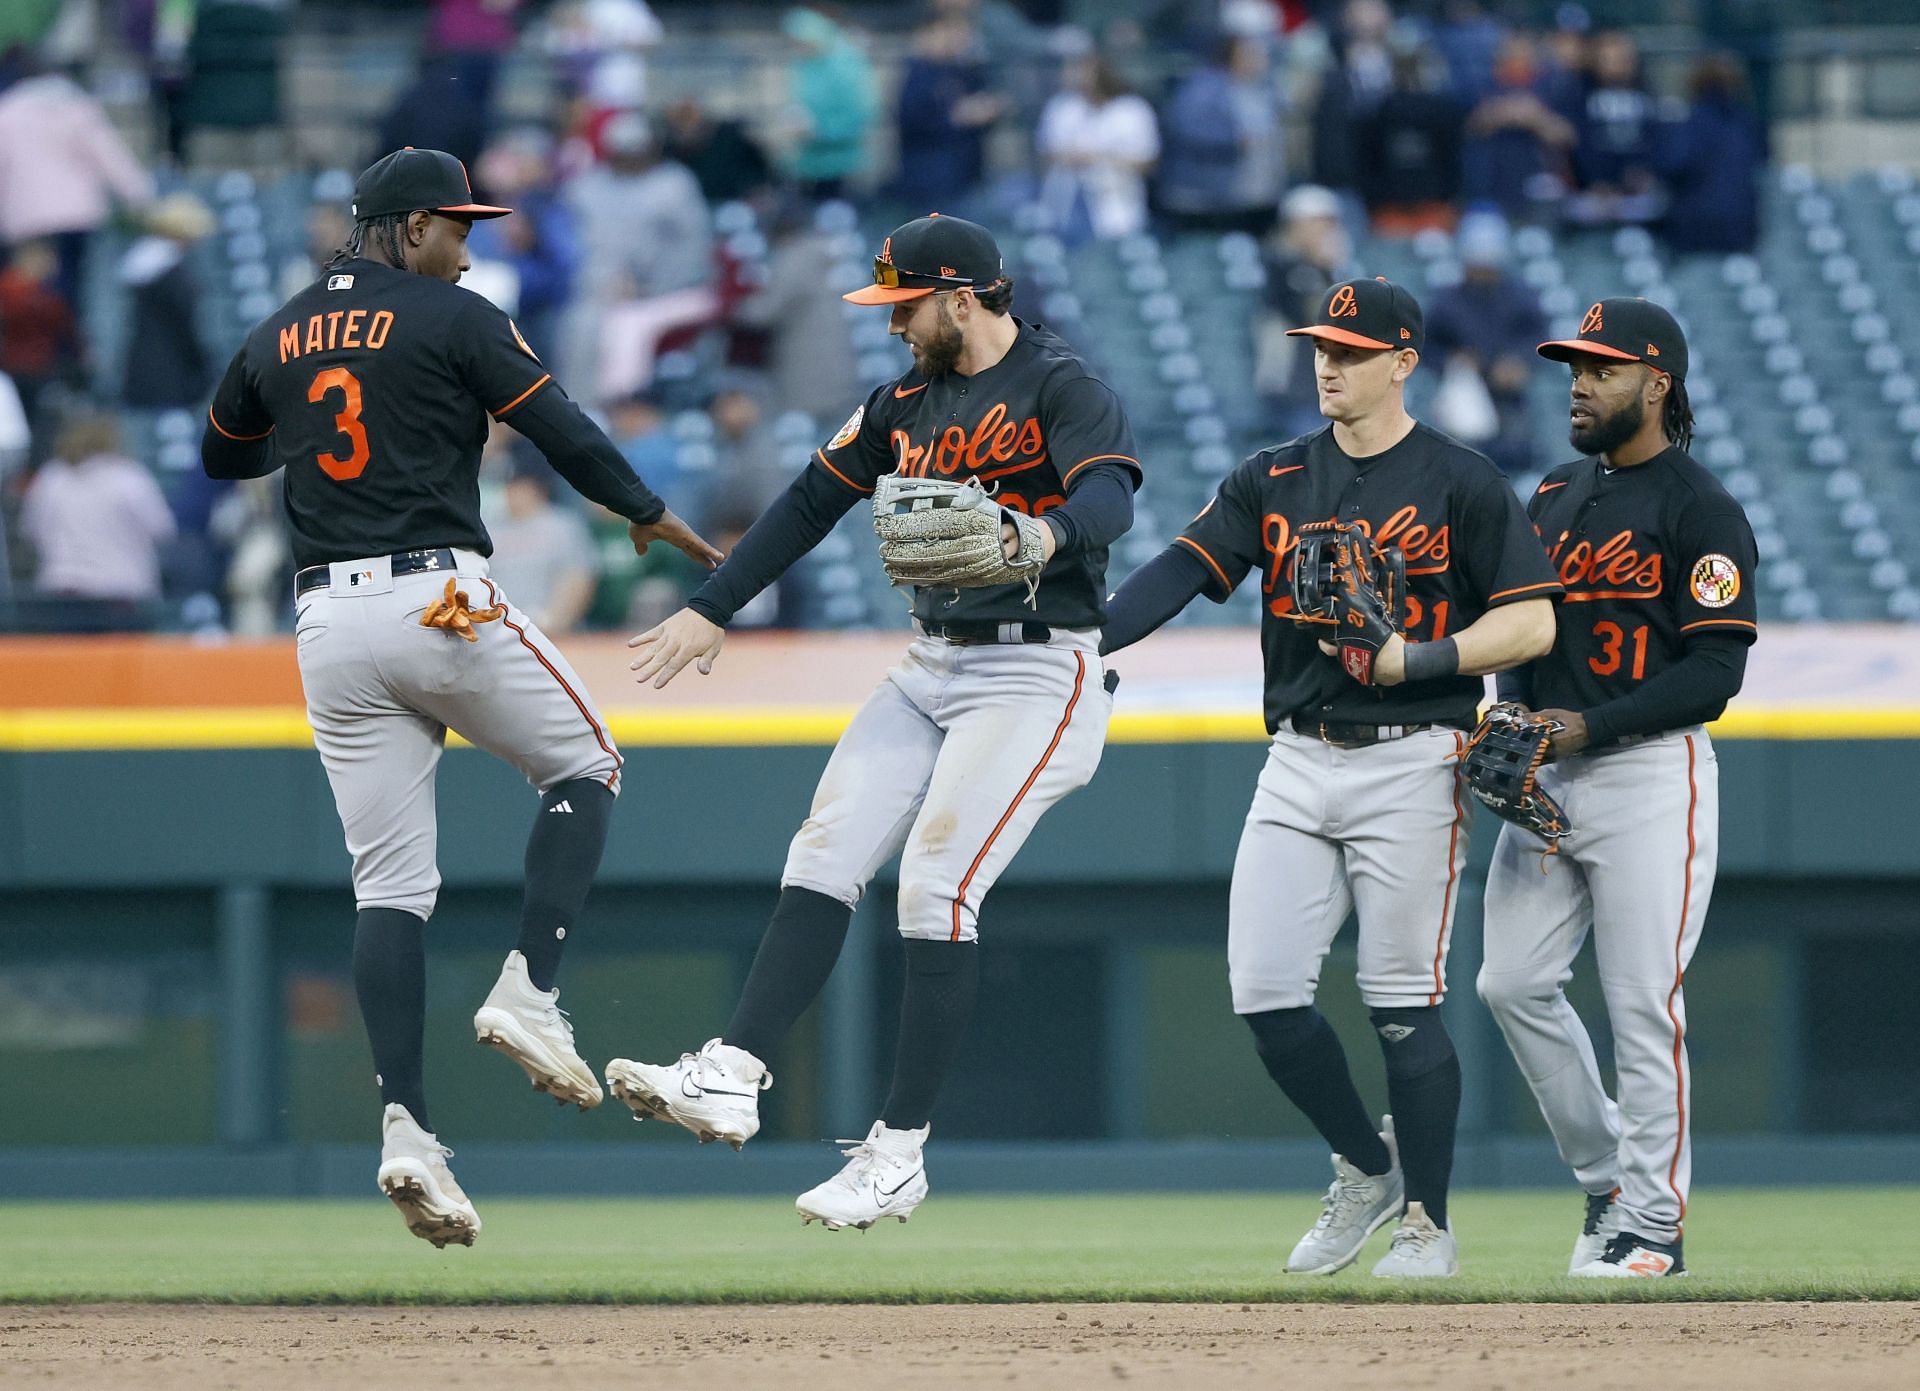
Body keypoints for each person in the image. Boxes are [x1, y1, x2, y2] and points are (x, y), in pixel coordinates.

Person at [199, 148, 720, 1249]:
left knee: (388, 886)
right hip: (438, 596)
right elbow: (561, 423)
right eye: (455, 226)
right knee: (586, 764)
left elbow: (218, 450)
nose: (467, 246)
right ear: (404, 225)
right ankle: (529, 990)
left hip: (328, 625)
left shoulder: (277, 328)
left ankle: (406, 1128)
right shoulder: (453, 314)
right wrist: (646, 508)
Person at [604, 214, 1140, 1231]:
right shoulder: (903, 402)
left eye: (905, 304)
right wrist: (712, 604)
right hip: (932, 658)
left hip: (1039, 668)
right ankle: (733, 1070)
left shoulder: (1063, 384)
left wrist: (1045, 529)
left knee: (935, 888)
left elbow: (1110, 495)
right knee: (823, 850)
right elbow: (809, 501)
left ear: (964, 297)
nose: (892, 324)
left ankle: (897, 1153)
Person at [1101, 277, 1561, 1277]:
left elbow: (1532, 619)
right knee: (1264, 994)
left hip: (1414, 757)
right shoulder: (1273, 474)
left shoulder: (1460, 477)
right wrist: (1083, 639)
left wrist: (1419, 658)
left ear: (1405, 360)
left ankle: (1427, 1222)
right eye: (1320, 346)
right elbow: (1181, 569)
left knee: (1401, 1001)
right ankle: (1365, 1162)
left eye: (1352, 350)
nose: (1328, 363)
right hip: (1298, 756)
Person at [1477, 299, 1757, 1278]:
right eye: (1574, 367)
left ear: (1657, 382)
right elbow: (1522, 629)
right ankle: (1607, 1183)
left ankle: (1654, 1228)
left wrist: (1586, 725)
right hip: (1551, 773)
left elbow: (1717, 670)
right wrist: (1510, 712)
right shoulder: (1552, 491)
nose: (1579, 383)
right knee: (1508, 981)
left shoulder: (1701, 506)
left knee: (1642, 1003)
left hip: (1649, 774)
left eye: (1600, 368)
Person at [21, 412, 175, 632]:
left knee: (68, 665)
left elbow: (31, 530)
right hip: (120, 592)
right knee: (120, 665)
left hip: (63, 591)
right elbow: (162, 529)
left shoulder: (51, 478)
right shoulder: (129, 477)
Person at [1423, 212, 1546, 477]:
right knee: (1463, 464)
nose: (1482, 273)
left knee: (1517, 461)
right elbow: (1424, 347)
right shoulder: (1447, 301)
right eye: (1477, 266)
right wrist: (1453, 361)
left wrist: (1520, 361)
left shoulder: (1520, 296)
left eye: (1488, 267)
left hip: (1511, 398)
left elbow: (1540, 338)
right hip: (1465, 398)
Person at [1035, 52, 1159, 241]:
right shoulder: (1062, 107)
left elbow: (1147, 162)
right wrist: (1071, 157)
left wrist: (1099, 159)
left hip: (1116, 201)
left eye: (1083, 70)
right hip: (1067, 199)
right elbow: (1046, 153)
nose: (1076, 75)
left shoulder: (1132, 110)